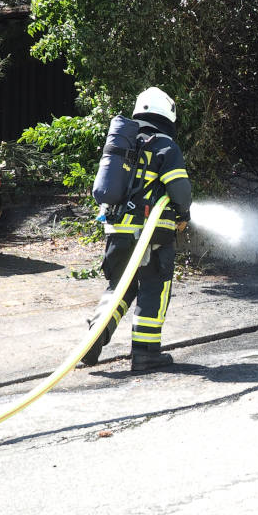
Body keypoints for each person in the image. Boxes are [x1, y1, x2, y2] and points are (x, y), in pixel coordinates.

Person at [82, 87, 192, 370]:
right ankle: (146, 353)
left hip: (116, 231)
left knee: (120, 286)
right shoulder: (165, 145)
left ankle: (94, 337)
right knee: (154, 288)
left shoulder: (127, 143)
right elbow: (179, 189)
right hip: (152, 235)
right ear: (168, 114)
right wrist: (184, 214)